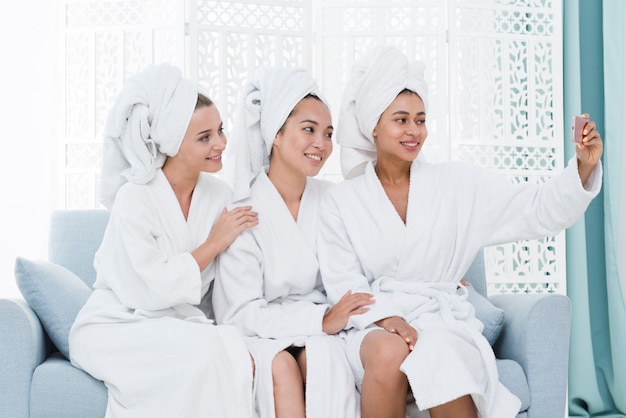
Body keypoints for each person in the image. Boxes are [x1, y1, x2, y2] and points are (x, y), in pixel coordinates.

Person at [317, 46, 603, 418]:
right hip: (372, 327)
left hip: (443, 323)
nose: (414, 131)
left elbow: (534, 209)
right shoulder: (342, 200)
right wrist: (388, 319)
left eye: (420, 120)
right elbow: (346, 283)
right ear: (374, 124)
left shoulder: (457, 184)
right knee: (392, 350)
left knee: (436, 351)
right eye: (401, 120)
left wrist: (580, 169)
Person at [69, 63, 258, 418]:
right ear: (172, 143)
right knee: (208, 350)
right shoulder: (135, 198)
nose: (221, 143)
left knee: (226, 345)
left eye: (220, 130)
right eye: (204, 137)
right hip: (118, 323)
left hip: (177, 323)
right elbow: (152, 287)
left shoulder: (219, 194)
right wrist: (214, 242)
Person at [212, 67, 372, 418]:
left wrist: (429, 276)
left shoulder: (333, 199)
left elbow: (371, 257)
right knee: (286, 363)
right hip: (261, 332)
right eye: (309, 130)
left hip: (324, 327)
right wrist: (321, 321)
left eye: (328, 134)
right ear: (276, 135)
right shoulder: (244, 211)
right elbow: (238, 313)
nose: (322, 144)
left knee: (324, 357)